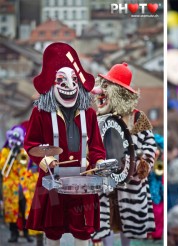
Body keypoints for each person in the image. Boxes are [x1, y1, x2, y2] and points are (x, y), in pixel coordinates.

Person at [24, 42, 106, 246]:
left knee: (84, 230)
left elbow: (96, 146)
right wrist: (47, 161)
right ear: (52, 84)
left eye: (74, 81)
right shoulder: (40, 112)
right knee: (53, 229)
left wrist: (99, 161)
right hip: (53, 180)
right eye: (61, 81)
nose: (69, 87)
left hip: (83, 181)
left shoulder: (90, 113)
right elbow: (31, 142)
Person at [91, 63, 157, 245]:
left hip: (130, 181)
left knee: (126, 222)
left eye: (106, 87)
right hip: (105, 181)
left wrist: (143, 164)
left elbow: (150, 145)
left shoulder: (137, 117)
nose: (101, 93)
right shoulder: (98, 119)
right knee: (106, 221)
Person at [0, 123, 37, 243]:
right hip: (11, 187)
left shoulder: (25, 151)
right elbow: (2, 167)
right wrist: (12, 155)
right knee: (11, 211)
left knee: (25, 210)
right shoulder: (5, 151)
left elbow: (29, 165)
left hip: (24, 186)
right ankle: (13, 233)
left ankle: (26, 233)